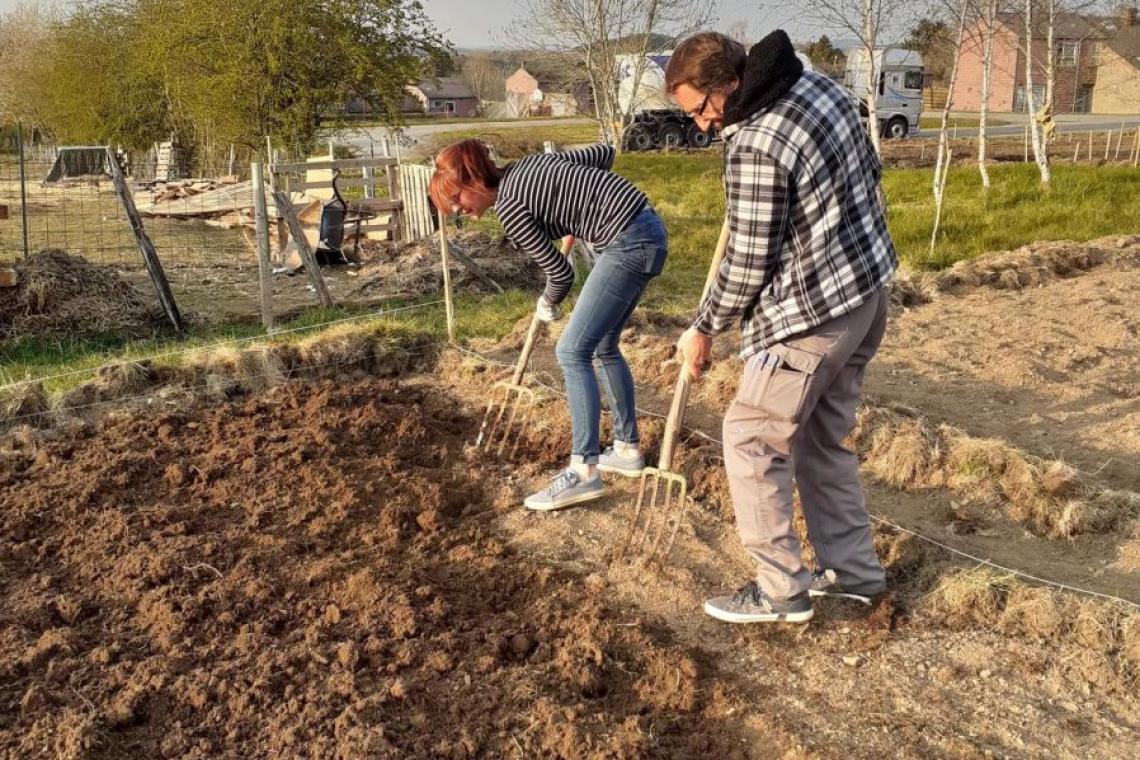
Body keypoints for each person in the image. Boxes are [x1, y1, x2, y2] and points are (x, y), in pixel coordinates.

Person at [666, 31, 898, 623]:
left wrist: (704, 326)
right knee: (821, 440)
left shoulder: (755, 144)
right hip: (865, 296)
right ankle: (854, 575)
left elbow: (746, 261)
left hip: (811, 317)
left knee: (749, 437)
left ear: (730, 85)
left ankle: (780, 591)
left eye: (699, 109)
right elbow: (869, 171)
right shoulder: (819, 86)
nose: (699, 125)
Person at [429, 140, 668, 510]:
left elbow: (560, 273)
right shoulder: (530, 164)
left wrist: (546, 302)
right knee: (603, 344)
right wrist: (580, 206)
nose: (460, 209)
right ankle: (626, 448)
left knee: (571, 350)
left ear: (473, 179)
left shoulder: (509, 208)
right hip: (648, 228)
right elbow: (603, 153)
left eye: (457, 199)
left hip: (628, 242)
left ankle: (583, 472)